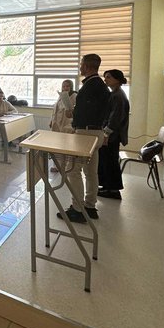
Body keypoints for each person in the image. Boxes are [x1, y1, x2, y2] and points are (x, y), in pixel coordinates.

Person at [58, 54, 110, 223]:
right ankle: (90, 206)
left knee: (73, 170)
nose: (80, 67)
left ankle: (77, 209)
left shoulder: (89, 86)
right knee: (91, 171)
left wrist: (72, 112)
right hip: (97, 132)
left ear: (87, 66)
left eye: (81, 64)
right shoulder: (101, 86)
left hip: (85, 133)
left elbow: (83, 113)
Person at [98, 70, 130, 200]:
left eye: (108, 77)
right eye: (105, 77)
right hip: (111, 134)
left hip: (112, 136)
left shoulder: (118, 96)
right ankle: (107, 186)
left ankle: (113, 190)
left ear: (117, 79)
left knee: (110, 161)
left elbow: (115, 118)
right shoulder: (115, 94)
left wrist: (106, 134)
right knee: (106, 160)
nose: (105, 79)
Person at [49, 80, 77, 173]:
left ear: (71, 87)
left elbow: (75, 111)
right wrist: (51, 120)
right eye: (64, 86)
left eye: (67, 86)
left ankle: (66, 166)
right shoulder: (61, 96)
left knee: (66, 145)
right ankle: (57, 165)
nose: (65, 88)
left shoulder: (74, 96)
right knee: (56, 145)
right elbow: (55, 109)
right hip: (56, 123)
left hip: (67, 124)